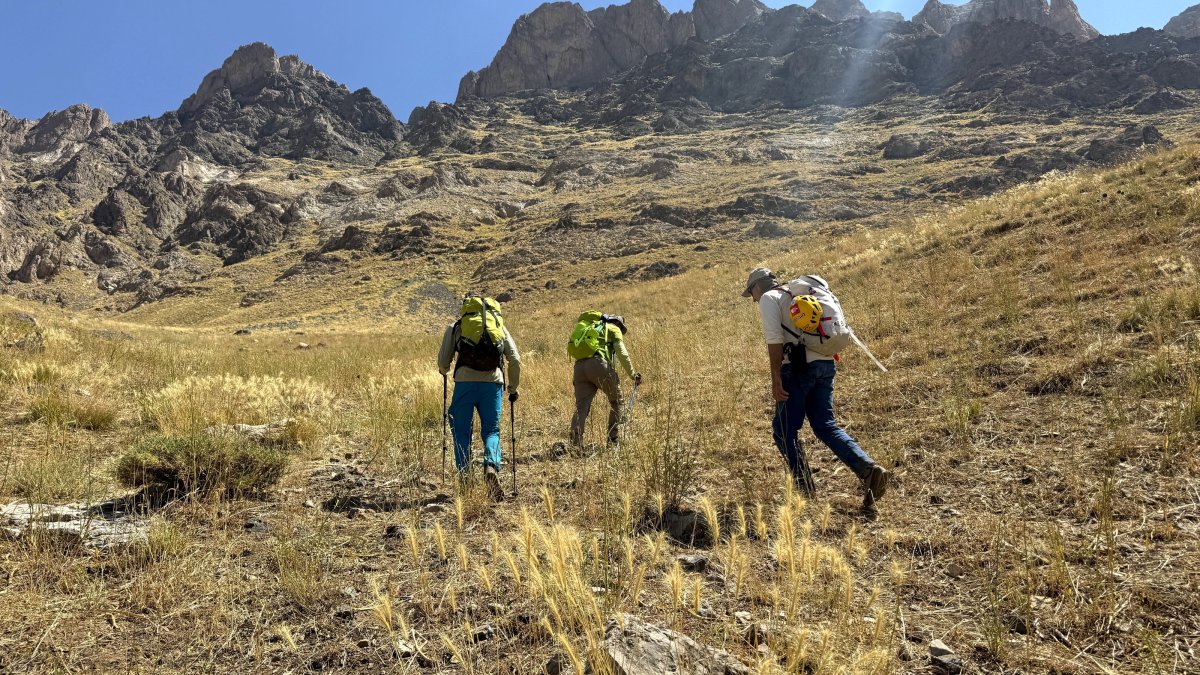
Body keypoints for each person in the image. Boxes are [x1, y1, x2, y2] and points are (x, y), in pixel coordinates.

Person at [742, 267, 889, 514]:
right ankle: (868, 469)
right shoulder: (799, 293)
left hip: (797, 370)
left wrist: (776, 377)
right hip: (825, 363)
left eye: (752, 294)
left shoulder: (769, 299)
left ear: (757, 287)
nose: (753, 299)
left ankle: (805, 493)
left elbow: (775, 341)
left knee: (784, 430)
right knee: (824, 425)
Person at [437, 293, 521, 501]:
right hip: (493, 384)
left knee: (461, 431)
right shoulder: (499, 327)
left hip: (464, 383)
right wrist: (512, 388)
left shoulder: (457, 326)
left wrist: (444, 369)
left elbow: (443, 361)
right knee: (491, 430)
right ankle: (491, 466)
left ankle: (465, 478)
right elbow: (515, 359)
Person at [568, 312, 642, 448]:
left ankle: (575, 444)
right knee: (617, 402)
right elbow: (622, 353)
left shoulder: (591, 327)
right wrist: (632, 374)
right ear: (618, 324)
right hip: (598, 365)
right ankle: (613, 441)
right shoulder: (613, 329)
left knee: (581, 407)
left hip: (579, 368)